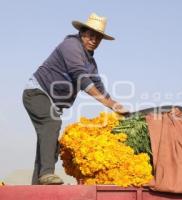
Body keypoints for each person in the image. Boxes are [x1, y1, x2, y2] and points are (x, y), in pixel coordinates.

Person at [22, 13, 129, 185]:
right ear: (82, 33)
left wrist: (117, 106)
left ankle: (38, 186)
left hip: (51, 102)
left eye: (98, 38)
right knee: (52, 124)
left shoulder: (90, 63)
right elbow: (81, 78)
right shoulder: (71, 45)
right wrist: (108, 103)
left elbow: (98, 86)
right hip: (37, 93)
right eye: (91, 36)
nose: (94, 40)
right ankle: (47, 174)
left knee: (48, 144)